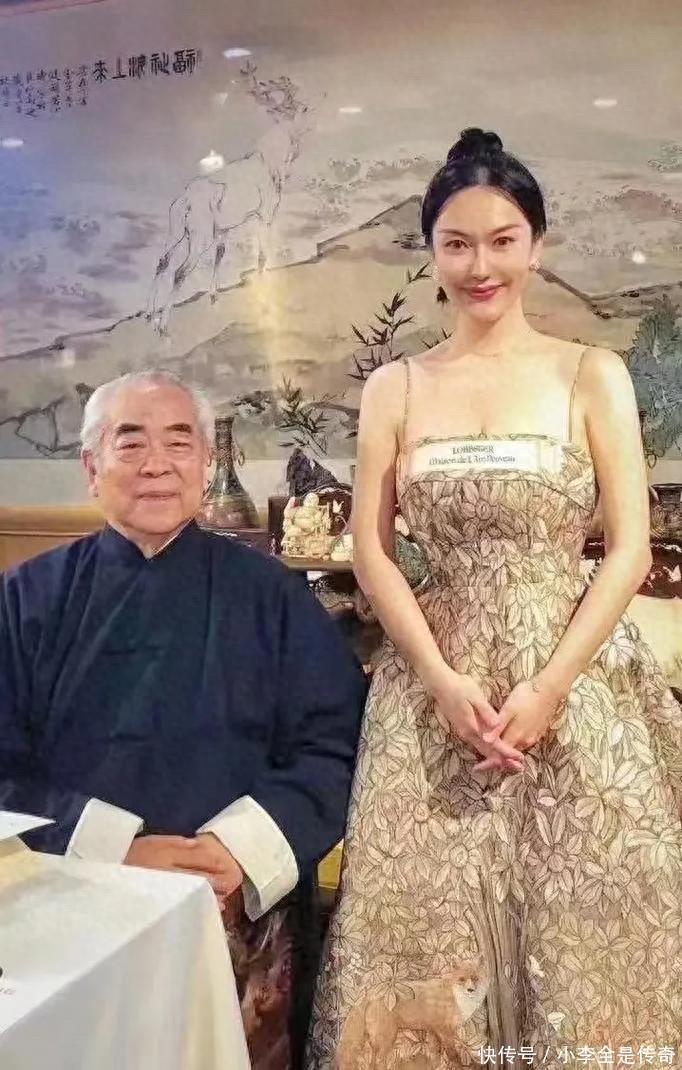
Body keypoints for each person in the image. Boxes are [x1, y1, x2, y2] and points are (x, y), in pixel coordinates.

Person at [307, 129, 681, 1067]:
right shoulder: (396, 386)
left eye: (503, 240)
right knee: (429, 931)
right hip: (436, 688)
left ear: (537, 246)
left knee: (592, 922)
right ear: (432, 253)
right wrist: (438, 679)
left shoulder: (590, 372)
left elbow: (628, 551)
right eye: (458, 244)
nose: (482, 266)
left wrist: (549, 687)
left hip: (576, 682)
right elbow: (372, 550)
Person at [0, 369, 367, 1070]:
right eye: (130, 442)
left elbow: (336, 744)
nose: (157, 464)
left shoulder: (273, 596)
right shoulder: (24, 600)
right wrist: (114, 848)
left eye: (178, 442)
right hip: (71, 906)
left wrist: (236, 852)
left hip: (238, 911)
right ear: (91, 469)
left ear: (204, 463)